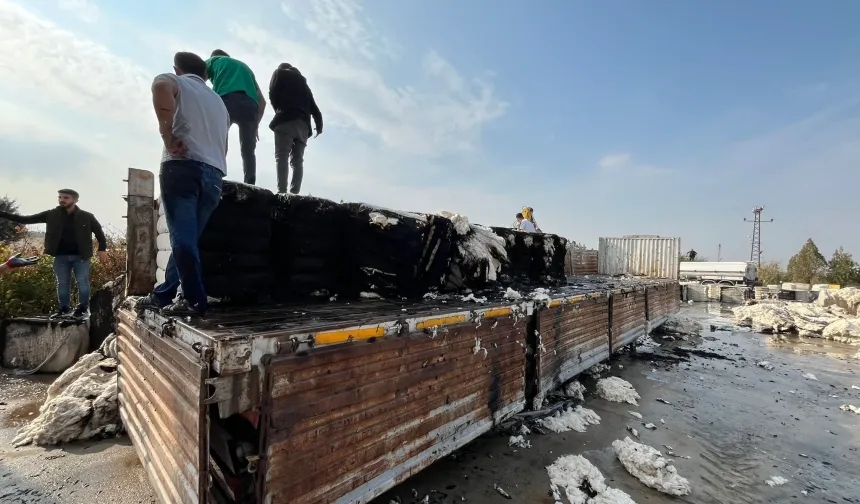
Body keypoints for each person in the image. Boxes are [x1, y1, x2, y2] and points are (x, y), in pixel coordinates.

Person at [138, 51, 230, 316]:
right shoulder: (219, 102)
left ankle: (194, 300)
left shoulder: (174, 80)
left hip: (183, 167)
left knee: (183, 241)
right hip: (214, 175)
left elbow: (160, 87)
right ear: (206, 74)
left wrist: (166, 134)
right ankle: (164, 294)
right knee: (188, 240)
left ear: (178, 69)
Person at [0, 190, 108, 319]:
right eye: (60, 197)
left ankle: (82, 309)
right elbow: (24, 219)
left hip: (81, 256)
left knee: (83, 282)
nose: (62, 200)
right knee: (62, 283)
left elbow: (99, 234)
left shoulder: (87, 216)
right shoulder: (51, 214)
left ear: (75, 200)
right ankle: (64, 309)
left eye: (66, 198)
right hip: (60, 256)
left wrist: (102, 249)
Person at [205, 49, 266, 185]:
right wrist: (255, 125)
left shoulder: (214, 61)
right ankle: (250, 183)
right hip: (250, 106)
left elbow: (195, 76)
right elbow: (262, 101)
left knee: (219, 139)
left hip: (227, 99)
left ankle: (216, 175)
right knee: (248, 149)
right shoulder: (246, 69)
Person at [268, 63, 323, 194]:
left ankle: (282, 192)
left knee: (282, 156)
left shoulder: (279, 73)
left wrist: (278, 110)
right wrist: (319, 126)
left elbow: (272, 92)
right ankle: (294, 194)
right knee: (297, 161)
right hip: (303, 125)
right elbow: (314, 108)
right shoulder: (304, 84)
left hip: (285, 119)